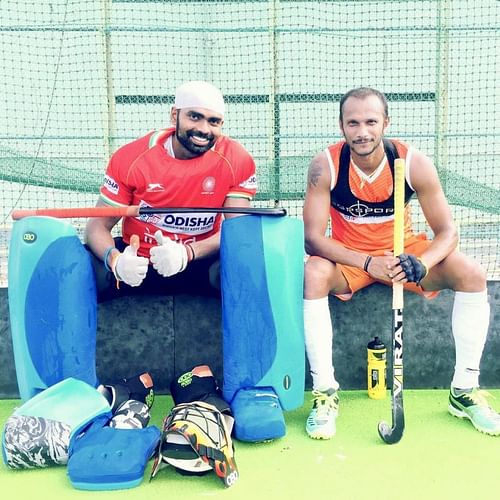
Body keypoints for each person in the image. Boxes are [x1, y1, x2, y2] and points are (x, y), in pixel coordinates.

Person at [302, 87, 499, 439]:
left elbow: (448, 233)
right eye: (353, 123)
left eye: (370, 122)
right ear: (341, 126)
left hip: (403, 254)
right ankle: (325, 393)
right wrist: (367, 262)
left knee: (470, 272)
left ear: (385, 123)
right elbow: (313, 239)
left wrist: (421, 264)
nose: (362, 131)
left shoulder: (413, 163)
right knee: (313, 272)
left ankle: (464, 389)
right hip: (352, 258)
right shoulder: (326, 166)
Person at [85, 81, 257, 301]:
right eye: (194, 117)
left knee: (247, 261)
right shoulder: (132, 158)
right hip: (137, 263)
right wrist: (116, 261)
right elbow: (96, 227)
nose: (204, 129)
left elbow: (238, 232)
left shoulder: (236, 158)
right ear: (174, 115)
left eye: (214, 121)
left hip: (199, 263)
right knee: (76, 263)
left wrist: (187, 252)